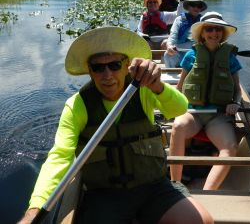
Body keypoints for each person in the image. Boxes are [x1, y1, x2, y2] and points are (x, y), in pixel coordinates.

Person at [19, 27, 213, 224]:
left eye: (114, 65)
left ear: (126, 65)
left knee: (201, 221)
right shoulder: (77, 106)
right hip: (105, 195)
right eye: (98, 68)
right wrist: (34, 210)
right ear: (89, 70)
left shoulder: (143, 90)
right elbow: (60, 156)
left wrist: (158, 85)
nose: (107, 75)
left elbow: (179, 108)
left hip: (153, 187)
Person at [169, 11, 242, 190]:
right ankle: (176, 185)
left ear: (222, 33)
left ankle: (208, 192)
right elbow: (180, 87)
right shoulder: (191, 56)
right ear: (202, 33)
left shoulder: (230, 57)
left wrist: (236, 103)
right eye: (209, 29)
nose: (214, 33)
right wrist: (175, 108)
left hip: (218, 116)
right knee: (177, 127)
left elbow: (237, 90)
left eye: (218, 29)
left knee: (230, 148)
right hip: (194, 113)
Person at [164, 0, 207, 68]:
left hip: (196, 51)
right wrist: (169, 46)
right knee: (167, 55)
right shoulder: (179, 19)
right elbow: (173, 35)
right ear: (188, 7)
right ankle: (172, 74)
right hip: (180, 51)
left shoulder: (203, 21)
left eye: (199, 6)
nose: (196, 8)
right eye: (193, 5)